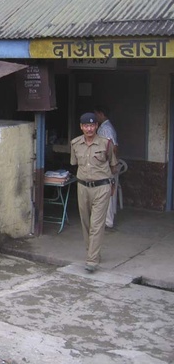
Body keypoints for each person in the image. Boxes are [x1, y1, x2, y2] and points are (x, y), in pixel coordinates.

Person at [70, 112, 118, 273]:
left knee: (97, 224)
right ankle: (92, 252)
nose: (89, 129)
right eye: (86, 126)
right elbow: (74, 163)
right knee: (86, 223)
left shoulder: (106, 143)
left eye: (92, 125)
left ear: (96, 126)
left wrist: (112, 183)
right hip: (83, 187)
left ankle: (92, 260)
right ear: (81, 127)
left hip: (101, 187)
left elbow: (113, 165)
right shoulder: (75, 144)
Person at [94, 105, 119, 229]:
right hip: (107, 164)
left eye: (96, 114)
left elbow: (112, 147)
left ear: (101, 114)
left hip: (107, 165)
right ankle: (107, 218)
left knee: (106, 192)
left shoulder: (106, 129)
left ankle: (107, 221)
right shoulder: (105, 127)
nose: (95, 117)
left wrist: (109, 163)